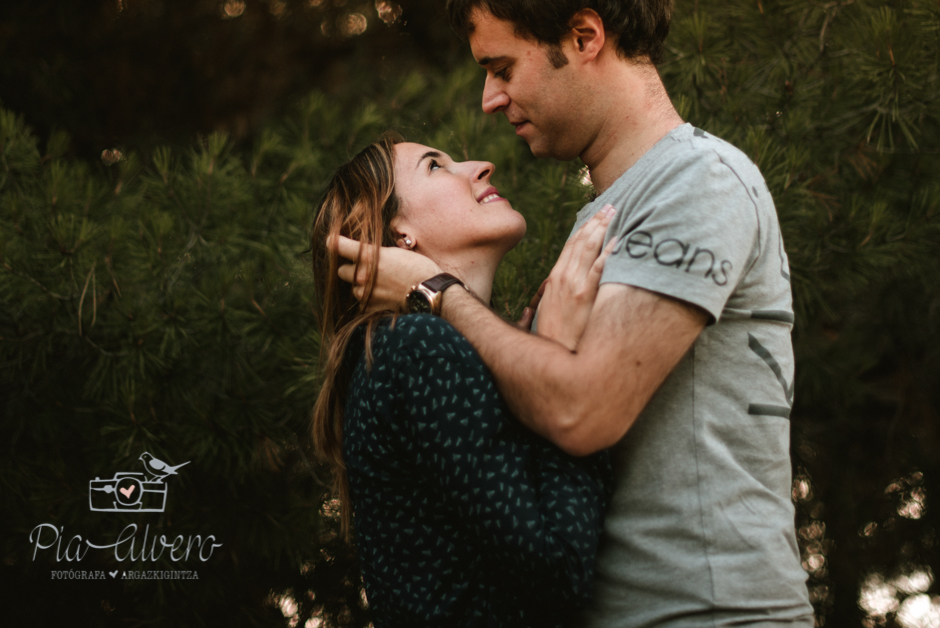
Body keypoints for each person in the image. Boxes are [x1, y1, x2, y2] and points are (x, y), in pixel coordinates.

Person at [332, 1, 815, 627]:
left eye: (503, 68)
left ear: (585, 37)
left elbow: (581, 410)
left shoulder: (695, 181)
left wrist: (439, 292)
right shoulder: (601, 219)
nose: (489, 99)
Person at [310, 132, 613, 628]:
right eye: (435, 166)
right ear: (401, 235)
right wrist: (559, 364)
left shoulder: (397, 351)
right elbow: (558, 571)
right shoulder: (416, 347)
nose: (482, 165)